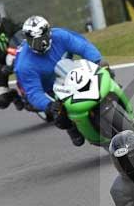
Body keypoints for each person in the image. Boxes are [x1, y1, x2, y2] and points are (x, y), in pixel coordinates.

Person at [14, 15, 106, 146]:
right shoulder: (24, 64)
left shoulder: (61, 36)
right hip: (51, 90)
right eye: (35, 41)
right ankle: (72, 128)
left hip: (72, 73)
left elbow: (84, 47)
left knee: (104, 74)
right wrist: (48, 105)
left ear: (49, 33)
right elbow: (34, 92)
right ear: (27, 40)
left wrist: (97, 61)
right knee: (59, 116)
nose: (41, 44)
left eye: (43, 38)